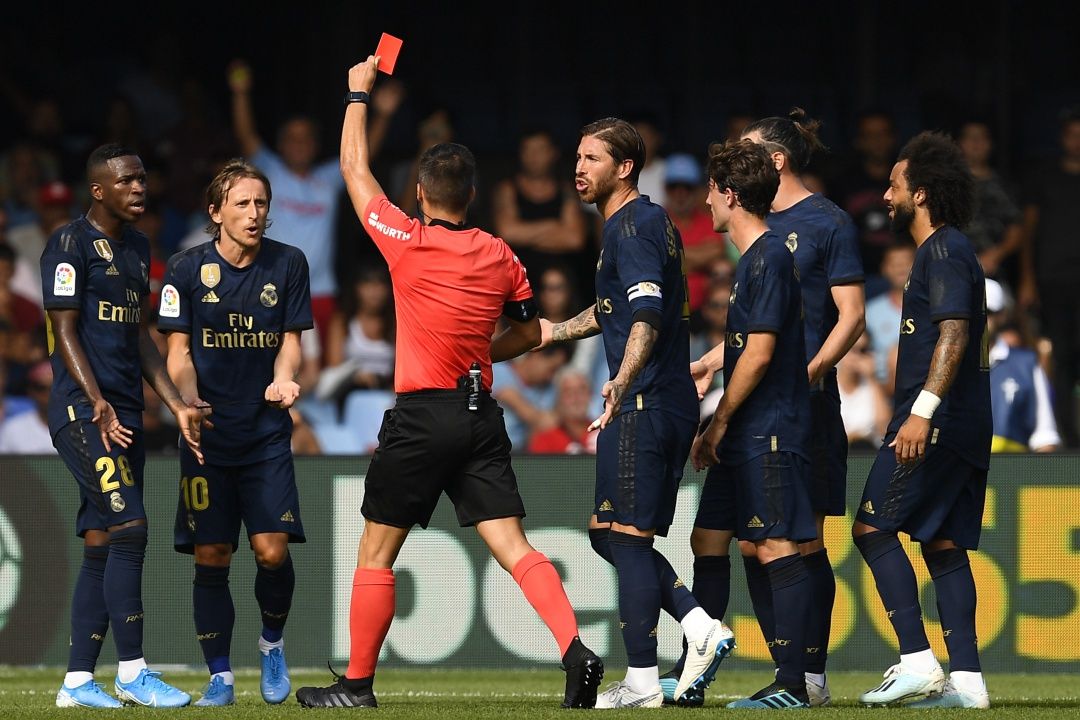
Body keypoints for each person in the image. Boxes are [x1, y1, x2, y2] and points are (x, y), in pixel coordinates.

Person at [295, 55, 604, 710]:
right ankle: (575, 649)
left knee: (376, 553)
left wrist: (357, 93)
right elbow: (527, 332)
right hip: (478, 416)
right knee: (514, 547)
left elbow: (354, 169)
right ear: (472, 197)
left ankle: (356, 687)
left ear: (420, 194)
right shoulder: (500, 254)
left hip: (420, 415)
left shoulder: (404, 238)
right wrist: (484, 355)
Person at [538, 117, 732, 709]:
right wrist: (551, 331)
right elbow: (613, 311)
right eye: (577, 156)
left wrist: (621, 380)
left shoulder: (635, 226)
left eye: (591, 158)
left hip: (644, 400)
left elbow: (645, 314)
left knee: (626, 536)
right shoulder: (636, 226)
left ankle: (646, 680)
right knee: (609, 535)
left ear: (624, 168)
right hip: (656, 399)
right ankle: (697, 625)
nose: (579, 168)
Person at [43, 143, 204, 708]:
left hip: (126, 414)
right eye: (129, 181)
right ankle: (133, 672)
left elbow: (141, 336)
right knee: (131, 527)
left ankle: (77, 683)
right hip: (83, 412)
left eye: (143, 180)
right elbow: (64, 330)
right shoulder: (68, 243)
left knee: (100, 541)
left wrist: (177, 402)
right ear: (99, 190)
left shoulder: (138, 247)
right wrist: (97, 401)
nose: (140, 188)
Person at [157, 159, 313, 706]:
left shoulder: (289, 264)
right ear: (215, 211)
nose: (254, 213)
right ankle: (220, 676)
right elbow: (177, 352)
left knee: (271, 552)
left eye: (261, 203)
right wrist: (187, 399)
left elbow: (292, 340)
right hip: (206, 434)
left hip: (265, 432)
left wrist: (284, 379)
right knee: (213, 553)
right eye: (243, 203)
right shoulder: (183, 269)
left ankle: (272, 645)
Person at [726, 110, 865, 706]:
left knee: (801, 542)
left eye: (749, 151)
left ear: (776, 160)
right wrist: (711, 361)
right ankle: (790, 669)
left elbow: (851, 315)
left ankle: (807, 677)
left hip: (804, 406)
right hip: (761, 401)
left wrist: (810, 372)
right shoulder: (754, 226)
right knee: (753, 542)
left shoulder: (827, 221)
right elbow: (766, 320)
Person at [853, 132, 991, 709]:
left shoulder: (943, 250)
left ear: (923, 194)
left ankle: (915, 660)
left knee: (872, 529)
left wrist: (921, 413)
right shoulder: (945, 252)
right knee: (942, 543)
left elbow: (954, 332)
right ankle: (968, 683)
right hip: (963, 424)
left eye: (896, 185)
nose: (887, 196)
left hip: (934, 422)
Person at [688, 139, 816, 710]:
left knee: (774, 545)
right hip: (744, 431)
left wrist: (716, 423)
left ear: (731, 195)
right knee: (708, 538)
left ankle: (792, 682)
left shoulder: (767, 258)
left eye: (712, 191)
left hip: (765, 428)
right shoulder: (753, 262)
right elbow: (744, 347)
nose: (705, 202)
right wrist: (712, 363)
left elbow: (760, 355)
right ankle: (694, 666)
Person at [1019, 106, 1080, 447]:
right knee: (1061, 355)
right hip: (1053, 280)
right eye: (1073, 134)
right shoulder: (1044, 176)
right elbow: (1028, 232)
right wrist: (1027, 278)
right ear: (1062, 138)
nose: (1078, 142)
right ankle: (1065, 433)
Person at [492, 127, 587, 291]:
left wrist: (525, 236)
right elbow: (507, 232)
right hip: (516, 279)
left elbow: (574, 239)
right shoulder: (508, 189)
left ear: (553, 153)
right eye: (528, 150)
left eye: (540, 150)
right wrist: (553, 226)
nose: (533, 157)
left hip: (560, 282)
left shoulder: (566, 190)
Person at [984, 278, 1060, 453]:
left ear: (1001, 315)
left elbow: (1044, 435)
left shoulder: (1026, 363)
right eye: (971, 312)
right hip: (962, 475)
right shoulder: (944, 364)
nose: (979, 319)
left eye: (987, 311)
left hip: (1011, 475)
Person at [865, 242, 917, 394]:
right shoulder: (870, 311)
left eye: (906, 263)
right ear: (884, 269)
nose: (900, 268)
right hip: (879, 392)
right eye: (894, 263)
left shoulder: (931, 309)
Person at [837, 330, 891, 449]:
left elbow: (884, 428)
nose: (857, 356)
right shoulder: (829, 384)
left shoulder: (872, 384)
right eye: (851, 348)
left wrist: (872, 378)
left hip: (866, 455)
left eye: (863, 350)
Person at [527, 367, 597, 454]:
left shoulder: (603, 432)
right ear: (558, 399)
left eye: (581, 390)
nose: (576, 398)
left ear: (590, 394)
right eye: (569, 392)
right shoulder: (546, 439)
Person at [0, 359, 54, 453]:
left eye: (53, 388)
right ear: (31, 391)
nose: (48, 394)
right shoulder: (12, 429)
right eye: (41, 388)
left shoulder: (78, 428)